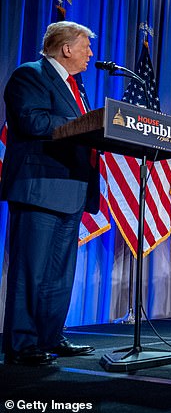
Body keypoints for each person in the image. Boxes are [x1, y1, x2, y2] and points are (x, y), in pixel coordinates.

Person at [1, 21, 100, 366]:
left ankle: (49, 335)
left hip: (71, 188)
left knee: (60, 273)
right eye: (85, 46)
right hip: (39, 186)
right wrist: (87, 126)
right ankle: (21, 342)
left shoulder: (75, 86)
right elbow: (31, 121)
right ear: (66, 48)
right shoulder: (30, 74)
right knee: (32, 270)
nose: (90, 53)